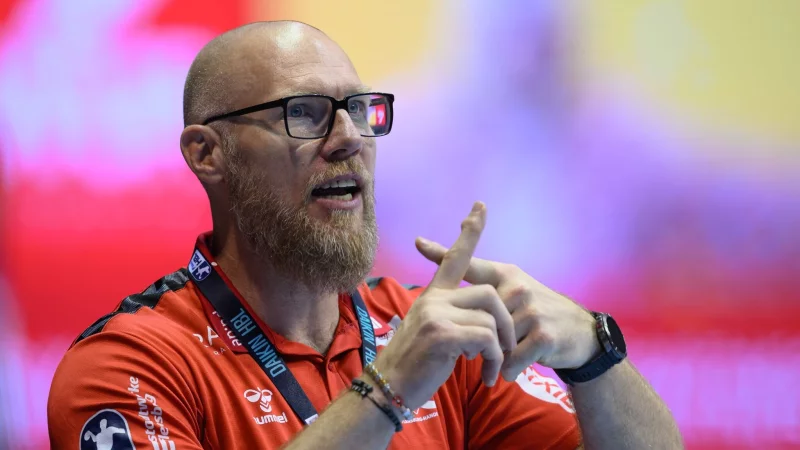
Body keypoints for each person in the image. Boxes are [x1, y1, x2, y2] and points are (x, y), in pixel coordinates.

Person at [48, 21, 682, 449]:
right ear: (207, 153)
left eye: (359, 110)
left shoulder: (431, 335)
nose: (349, 137)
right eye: (304, 113)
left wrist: (595, 354)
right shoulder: (129, 366)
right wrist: (391, 388)